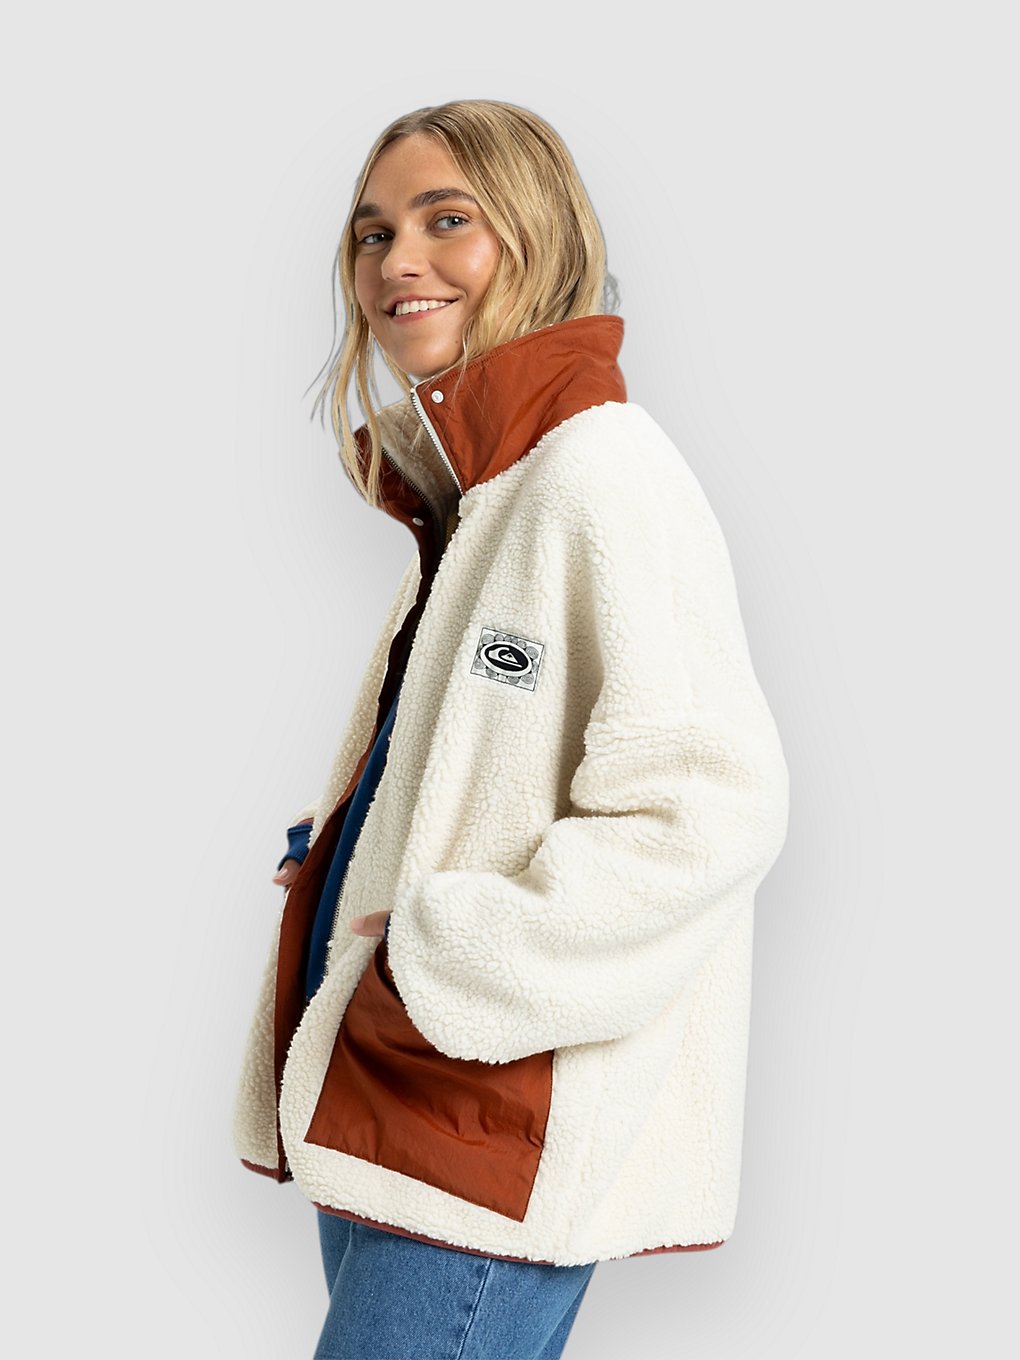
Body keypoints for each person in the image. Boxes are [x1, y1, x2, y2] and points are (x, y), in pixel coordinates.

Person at [232, 99, 790, 1360]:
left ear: (536, 237)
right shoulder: (482, 500)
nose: (399, 262)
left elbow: (710, 805)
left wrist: (444, 953)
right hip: (399, 1086)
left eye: (448, 221)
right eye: (373, 233)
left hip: (487, 1103)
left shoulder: (603, 475)